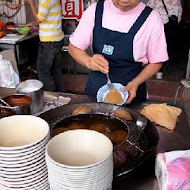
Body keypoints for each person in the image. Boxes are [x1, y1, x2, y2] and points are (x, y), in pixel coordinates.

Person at [68, 0, 168, 104]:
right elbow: (74, 47)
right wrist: (88, 61)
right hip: (95, 91)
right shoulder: (95, 10)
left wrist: (136, 82)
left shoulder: (151, 18)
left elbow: (156, 61)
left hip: (131, 92)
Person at [26, 0, 65, 92]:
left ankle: (47, 98)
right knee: (56, 71)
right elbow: (49, 17)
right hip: (57, 39)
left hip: (49, 42)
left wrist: (31, 3)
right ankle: (63, 94)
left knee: (43, 72)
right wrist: (35, 23)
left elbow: (40, 19)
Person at [147, 0, 183, 74]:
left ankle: (155, 67)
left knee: (155, 46)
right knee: (166, 46)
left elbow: (148, 9)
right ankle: (163, 67)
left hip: (156, 25)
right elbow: (179, 12)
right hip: (169, 25)